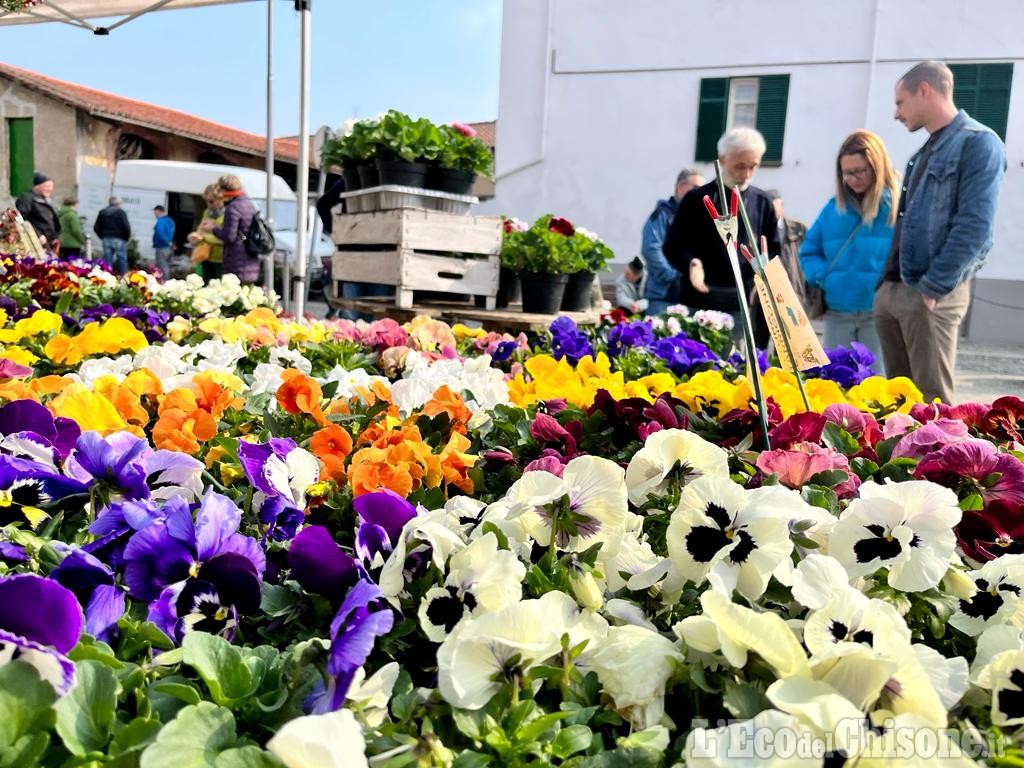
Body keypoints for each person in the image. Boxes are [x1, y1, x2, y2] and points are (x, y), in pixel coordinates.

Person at [874, 61, 1006, 403]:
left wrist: (932, 288)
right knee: (899, 404)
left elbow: (975, 227)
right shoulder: (925, 151)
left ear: (925, 91)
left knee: (935, 408)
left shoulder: (979, 143)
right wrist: (883, 289)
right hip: (896, 288)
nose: (896, 114)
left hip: (930, 292)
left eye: (900, 103)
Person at [663, 127, 780, 345]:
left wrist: (763, 276)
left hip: (740, 301)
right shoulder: (696, 199)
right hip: (698, 299)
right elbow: (673, 244)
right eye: (740, 166)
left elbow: (772, 248)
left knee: (735, 365)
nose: (746, 173)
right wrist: (692, 263)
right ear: (722, 159)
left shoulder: (762, 202)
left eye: (753, 166)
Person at [799, 131, 899, 364]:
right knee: (837, 384)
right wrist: (824, 277)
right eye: (847, 173)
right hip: (838, 313)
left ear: (878, 166)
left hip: (879, 314)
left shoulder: (896, 207)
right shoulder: (834, 208)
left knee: (876, 389)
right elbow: (808, 250)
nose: (853, 179)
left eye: (860, 171)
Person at [641, 168, 704, 315]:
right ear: (681, 187)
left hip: (691, 299)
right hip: (664, 298)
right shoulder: (662, 214)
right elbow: (651, 249)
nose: (700, 193)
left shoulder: (697, 217)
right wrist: (672, 277)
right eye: (696, 188)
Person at [203, 174, 260, 285]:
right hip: (250, 258)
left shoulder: (233, 207)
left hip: (236, 260)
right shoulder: (249, 203)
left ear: (224, 189)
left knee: (233, 297)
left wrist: (213, 228)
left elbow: (229, 236)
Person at [188, 184, 225, 283]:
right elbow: (201, 230)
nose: (208, 204)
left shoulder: (228, 214)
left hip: (221, 259)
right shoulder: (207, 212)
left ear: (221, 199)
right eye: (206, 201)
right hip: (205, 256)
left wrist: (203, 237)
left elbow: (225, 237)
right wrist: (195, 237)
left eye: (211, 201)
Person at [15, 171, 60, 250]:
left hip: (48, 243)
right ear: (37, 186)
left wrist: (54, 237)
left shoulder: (44, 200)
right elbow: (21, 220)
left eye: (51, 186)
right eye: (47, 186)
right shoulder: (26, 199)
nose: (50, 189)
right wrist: (37, 235)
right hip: (36, 242)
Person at [93, 196, 132, 274]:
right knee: (122, 260)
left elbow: (96, 227)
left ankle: (107, 277)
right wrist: (126, 238)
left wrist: (102, 236)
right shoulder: (121, 213)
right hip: (119, 239)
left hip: (106, 238)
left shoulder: (102, 212)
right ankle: (124, 278)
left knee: (107, 261)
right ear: (118, 204)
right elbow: (126, 227)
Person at [152, 205, 176, 281]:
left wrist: (166, 241)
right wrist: (170, 242)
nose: (155, 215)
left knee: (161, 267)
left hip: (162, 246)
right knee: (167, 266)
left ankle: (163, 283)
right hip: (169, 247)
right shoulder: (170, 221)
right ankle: (168, 281)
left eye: (155, 212)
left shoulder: (160, 221)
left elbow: (160, 232)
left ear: (158, 211)